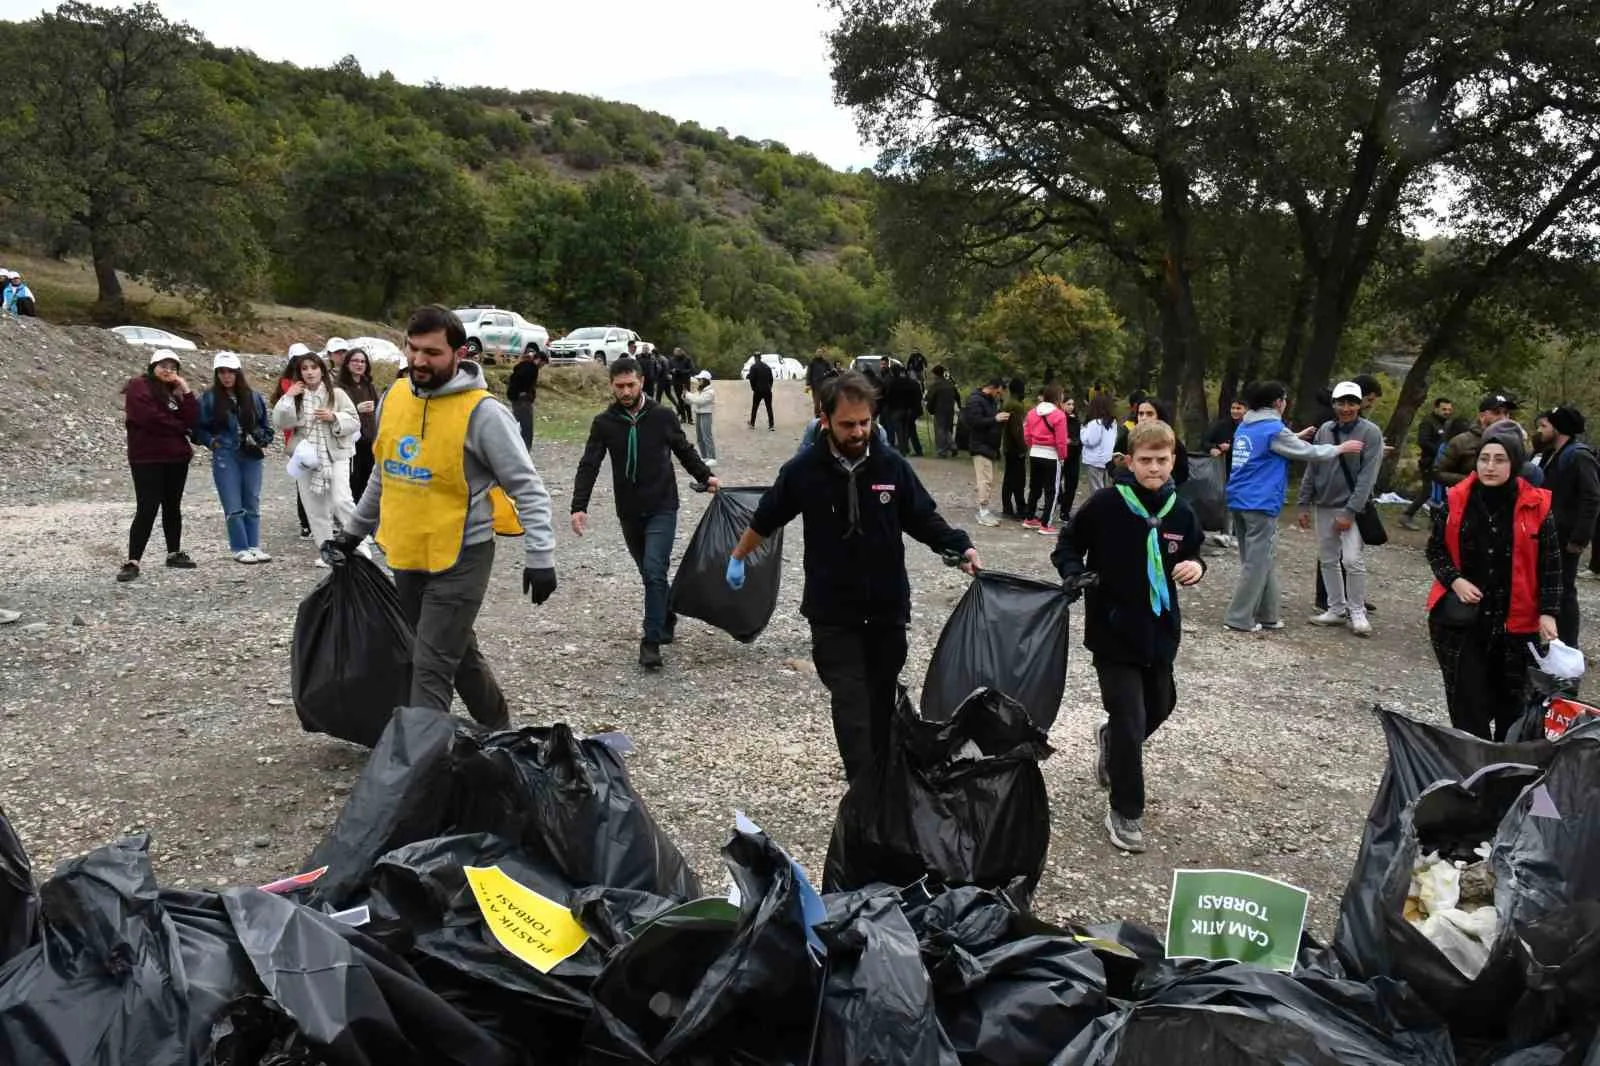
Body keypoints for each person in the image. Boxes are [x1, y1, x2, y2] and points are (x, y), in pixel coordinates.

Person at [726, 371, 980, 780]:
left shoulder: (891, 465)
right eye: (848, 424)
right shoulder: (803, 471)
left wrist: (958, 545)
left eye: (865, 422)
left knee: (881, 698)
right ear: (824, 419)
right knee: (850, 701)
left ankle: (881, 778)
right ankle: (864, 793)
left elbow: (921, 516)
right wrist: (738, 556)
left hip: (886, 607)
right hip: (832, 611)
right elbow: (767, 517)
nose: (859, 431)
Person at [328, 305, 557, 729]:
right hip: (407, 554)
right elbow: (385, 472)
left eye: (431, 352)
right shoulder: (394, 398)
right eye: (412, 349)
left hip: (461, 557)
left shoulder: (484, 415)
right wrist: (350, 533)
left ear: (459, 352)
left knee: (429, 665)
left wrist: (541, 557)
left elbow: (528, 488)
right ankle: (500, 732)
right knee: (454, 651)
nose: (418, 360)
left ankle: (419, 775)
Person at [1053, 418, 1205, 853]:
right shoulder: (1105, 505)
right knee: (1130, 718)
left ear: (1173, 460)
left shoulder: (1180, 509)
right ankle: (1125, 810)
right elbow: (1066, 545)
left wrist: (1196, 565)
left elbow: (1191, 548)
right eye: (1145, 460)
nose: (1154, 468)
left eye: (1162, 460)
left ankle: (1113, 743)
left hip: (1159, 632)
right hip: (1114, 631)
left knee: (1161, 705)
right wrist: (1074, 572)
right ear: (1129, 461)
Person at [571, 357, 718, 671]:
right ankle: (665, 614)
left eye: (631, 385)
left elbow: (683, 449)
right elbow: (589, 464)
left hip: (663, 506)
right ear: (611, 385)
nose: (625, 391)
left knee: (654, 570)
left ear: (641, 383)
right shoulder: (604, 423)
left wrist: (706, 477)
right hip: (628, 511)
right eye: (619, 386)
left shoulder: (662, 416)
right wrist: (578, 506)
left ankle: (650, 643)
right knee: (649, 573)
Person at [1424, 428, 1559, 740]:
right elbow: (1436, 549)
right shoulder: (1457, 499)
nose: (1490, 466)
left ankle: (1505, 774)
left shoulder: (1536, 506)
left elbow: (1551, 565)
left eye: (1499, 460)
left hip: (1517, 623)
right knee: (1467, 703)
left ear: (1515, 463)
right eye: (1484, 459)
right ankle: (1474, 771)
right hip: (1464, 622)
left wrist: (1548, 612)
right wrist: (1454, 580)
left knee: (1512, 705)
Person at [1223, 380, 1365, 633]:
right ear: (1278, 402)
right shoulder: (1273, 428)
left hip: (1239, 499)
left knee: (1260, 559)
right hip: (1260, 502)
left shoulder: (1247, 425)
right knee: (1256, 563)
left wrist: (1294, 437)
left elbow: (1266, 449)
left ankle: (1268, 615)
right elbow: (1309, 453)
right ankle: (1239, 618)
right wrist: (1340, 448)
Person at [1296, 381, 1385, 635]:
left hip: (1351, 507)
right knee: (1327, 558)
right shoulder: (1326, 429)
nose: (1346, 408)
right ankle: (1336, 608)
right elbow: (1313, 464)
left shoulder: (1371, 433)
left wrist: (1349, 511)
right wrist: (1303, 502)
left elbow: (1368, 476)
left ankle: (1357, 611)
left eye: (1352, 403)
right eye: (1341, 402)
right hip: (1324, 503)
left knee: (1352, 559)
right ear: (1334, 404)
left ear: (1359, 404)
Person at [118, 349, 200, 582]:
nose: (168, 370)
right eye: (163, 365)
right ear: (152, 366)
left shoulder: (173, 392)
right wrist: (180, 427)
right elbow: (148, 418)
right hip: (147, 457)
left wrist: (186, 390)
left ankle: (173, 552)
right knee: (147, 507)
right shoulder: (138, 385)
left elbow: (193, 418)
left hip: (176, 457)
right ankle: (133, 560)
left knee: (172, 506)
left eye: (173, 367)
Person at [272, 352, 360, 565]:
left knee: (342, 500)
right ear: (299, 372)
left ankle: (359, 546)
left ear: (322, 370)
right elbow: (281, 423)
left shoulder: (336, 394)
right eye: (305, 368)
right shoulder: (296, 396)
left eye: (314, 367)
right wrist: (288, 397)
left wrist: (334, 417)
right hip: (307, 457)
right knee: (315, 507)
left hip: (335, 454)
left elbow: (354, 420)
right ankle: (327, 551)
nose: (310, 372)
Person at [193, 352, 273, 564]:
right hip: (225, 453)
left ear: (238, 373)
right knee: (232, 502)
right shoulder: (208, 398)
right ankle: (239, 546)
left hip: (251, 453)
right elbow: (197, 428)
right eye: (221, 372)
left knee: (252, 501)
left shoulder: (253, 397)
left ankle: (254, 544)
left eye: (230, 372)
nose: (226, 376)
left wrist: (262, 438)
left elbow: (265, 423)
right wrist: (212, 442)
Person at [1532, 406, 1600, 643]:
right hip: (1547, 534)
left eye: (1544, 426)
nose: (1539, 431)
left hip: (1565, 537)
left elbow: (1591, 498)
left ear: (1558, 428)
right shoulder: (1551, 454)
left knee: (1564, 591)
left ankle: (1568, 647)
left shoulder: (1579, 456)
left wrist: (1579, 538)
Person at [1437, 393, 1519, 489]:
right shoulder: (1461, 442)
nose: (1503, 418)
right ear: (1482, 416)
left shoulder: (1514, 441)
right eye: (1497, 412)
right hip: (1468, 498)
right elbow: (1438, 473)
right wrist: (1473, 480)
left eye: (1506, 413)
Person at [276, 342, 315, 538]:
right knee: (303, 481)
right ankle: (306, 523)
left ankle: (312, 521)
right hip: (297, 440)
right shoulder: (288, 384)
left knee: (313, 479)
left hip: (309, 438)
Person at [1023, 383, 1070, 536]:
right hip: (1051, 455)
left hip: (1035, 452)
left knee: (1034, 487)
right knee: (1052, 490)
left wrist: (1033, 446)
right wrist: (1063, 456)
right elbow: (1061, 440)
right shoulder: (1059, 415)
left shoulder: (1031, 413)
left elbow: (1027, 434)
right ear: (1057, 397)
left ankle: (1029, 517)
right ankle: (1045, 524)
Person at [1400, 397, 1455, 529]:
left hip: (1441, 464)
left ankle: (1434, 521)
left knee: (1439, 493)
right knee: (1428, 491)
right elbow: (1423, 442)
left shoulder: (1447, 424)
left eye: (1449, 409)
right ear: (1436, 408)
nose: (1446, 412)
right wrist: (1440, 452)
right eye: (1443, 409)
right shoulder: (1428, 422)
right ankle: (1407, 515)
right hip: (1429, 462)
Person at [962, 376, 1007, 526]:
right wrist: (995, 419)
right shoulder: (975, 400)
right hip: (980, 445)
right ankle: (982, 511)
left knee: (989, 480)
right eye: (998, 392)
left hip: (990, 446)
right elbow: (974, 422)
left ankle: (985, 509)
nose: (999, 396)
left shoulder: (990, 401)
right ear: (992, 387)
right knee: (984, 480)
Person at [338, 347, 380, 503]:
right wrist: (357, 408)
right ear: (347, 363)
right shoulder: (340, 387)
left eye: (363, 361)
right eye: (355, 360)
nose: (359, 364)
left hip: (370, 440)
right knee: (352, 481)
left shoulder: (368, 384)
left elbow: (377, 406)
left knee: (369, 481)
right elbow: (336, 413)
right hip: (351, 442)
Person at [1000, 377, 1029, 519]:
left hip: (1007, 447)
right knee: (1019, 479)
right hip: (1015, 449)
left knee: (1009, 478)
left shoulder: (1007, 403)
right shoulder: (1016, 406)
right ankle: (1020, 508)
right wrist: (1023, 448)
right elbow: (1016, 430)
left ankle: (1007, 506)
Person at [1080, 392, 1118, 494]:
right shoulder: (1112, 422)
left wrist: (1083, 430)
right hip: (1107, 459)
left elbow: (1090, 441)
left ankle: (1098, 508)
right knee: (1105, 487)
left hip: (1095, 460)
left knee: (1096, 489)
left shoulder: (1095, 423)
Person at [506, 347, 542, 450]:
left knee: (515, 422)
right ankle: (526, 448)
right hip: (523, 400)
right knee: (527, 426)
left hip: (515, 399)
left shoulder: (521, 366)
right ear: (538, 359)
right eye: (542, 363)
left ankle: (513, 444)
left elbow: (514, 380)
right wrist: (524, 393)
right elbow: (523, 382)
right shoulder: (532, 368)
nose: (542, 366)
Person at [885, 366, 925, 456]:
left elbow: (888, 396)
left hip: (897, 409)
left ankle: (903, 449)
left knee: (899, 430)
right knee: (910, 429)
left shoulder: (893, 383)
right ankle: (917, 449)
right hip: (909, 410)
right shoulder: (912, 383)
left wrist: (890, 407)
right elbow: (917, 397)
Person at [1204, 399, 1247, 481]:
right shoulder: (1221, 425)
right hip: (1223, 470)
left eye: (1238, 408)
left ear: (1246, 410)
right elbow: (1205, 442)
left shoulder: (1250, 427)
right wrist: (1212, 448)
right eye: (1233, 408)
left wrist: (1230, 447)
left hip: (1243, 469)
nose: (1235, 411)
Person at [925, 365, 960, 458]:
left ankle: (942, 450)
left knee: (940, 430)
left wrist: (929, 408)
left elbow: (930, 398)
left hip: (939, 410)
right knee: (947, 429)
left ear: (935, 374)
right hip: (950, 409)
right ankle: (952, 446)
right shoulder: (950, 384)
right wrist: (959, 406)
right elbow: (957, 396)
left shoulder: (936, 385)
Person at [1059, 393, 1083, 523]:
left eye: (1072, 404)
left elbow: (1079, 438)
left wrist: (1073, 441)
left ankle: (1065, 511)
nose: (1071, 407)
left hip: (1073, 456)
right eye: (1068, 404)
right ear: (1062, 404)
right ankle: (1057, 503)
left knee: (1071, 485)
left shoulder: (1076, 420)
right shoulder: (1059, 418)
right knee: (1056, 483)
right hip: (1061, 455)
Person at [689, 370, 718, 466]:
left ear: (705, 380)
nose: (699, 381)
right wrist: (685, 397)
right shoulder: (699, 390)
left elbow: (699, 401)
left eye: (700, 379)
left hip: (706, 414)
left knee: (706, 436)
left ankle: (712, 457)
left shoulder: (710, 392)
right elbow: (692, 400)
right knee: (700, 436)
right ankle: (704, 456)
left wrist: (688, 395)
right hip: (698, 413)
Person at [747, 354, 776, 431]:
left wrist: (753, 388)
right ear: (760, 358)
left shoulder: (753, 367)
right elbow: (771, 379)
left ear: (755, 358)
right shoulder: (767, 366)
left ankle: (752, 424)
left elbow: (751, 379)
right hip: (767, 390)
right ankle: (771, 425)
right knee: (769, 407)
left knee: (755, 407)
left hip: (758, 390)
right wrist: (769, 387)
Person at [669, 347, 696, 423]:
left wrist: (681, 371)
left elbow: (691, 369)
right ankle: (683, 417)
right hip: (676, 382)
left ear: (681, 352)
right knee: (680, 400)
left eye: (678, 352)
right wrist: (673, 371)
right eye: (675, 352)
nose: (676, 353)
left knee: (686, 399)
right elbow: (669, 369)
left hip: (685, 381)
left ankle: (690, 418)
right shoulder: (672, 360)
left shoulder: (687, 359)